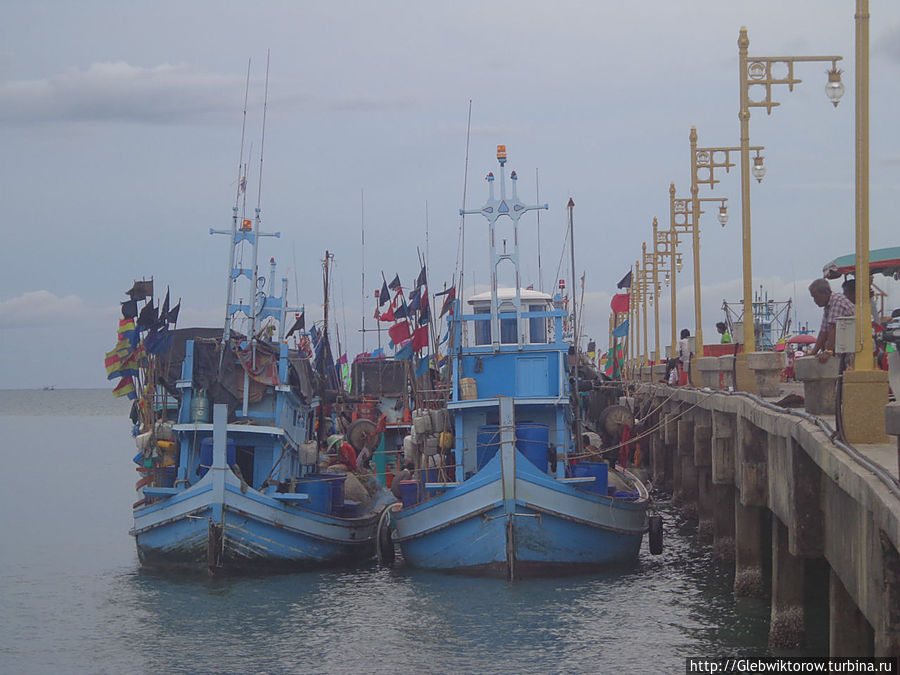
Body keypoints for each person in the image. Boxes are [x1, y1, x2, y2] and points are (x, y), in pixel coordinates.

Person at [809, 278, 855, 364]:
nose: (815, 301)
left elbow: (834, 328)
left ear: (825, 293)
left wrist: (828, 352)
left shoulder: (837, 301)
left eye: (816, 297)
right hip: (845, 349)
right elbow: (823, 331)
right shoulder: (828, 306)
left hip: (853, 349)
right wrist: (813, 353)